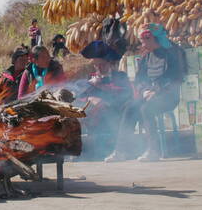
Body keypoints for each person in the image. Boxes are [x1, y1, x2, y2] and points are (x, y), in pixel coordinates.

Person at [105, 23, 184, 162]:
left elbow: (175, 77)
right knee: (130, 108)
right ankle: (121, 151)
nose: (143, 44)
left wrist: (157, 90)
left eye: (145, 40)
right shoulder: (146, 57)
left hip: (168, 96)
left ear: (155, 39)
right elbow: (139, 80)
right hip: (148, 94)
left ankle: (153, 151)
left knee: (146, 109)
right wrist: (144, 90)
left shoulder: (173, 53)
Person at [77, 40, 132, 158]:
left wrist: (101, 87)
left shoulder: (120, 76)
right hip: (94, 115)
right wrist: (91, 98)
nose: (100, 67)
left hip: (116, 112)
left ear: (109, 63)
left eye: (102, 64)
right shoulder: (91, 79)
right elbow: (81, 97)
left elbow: (125, 93)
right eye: (97, 65)